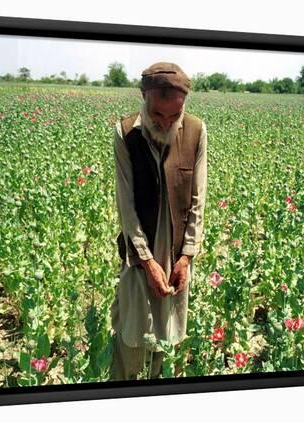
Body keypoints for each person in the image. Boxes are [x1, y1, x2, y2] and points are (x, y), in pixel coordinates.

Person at [109, 62, 208, 381]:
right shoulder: (125, 133)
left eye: (173, 116)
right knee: (132, 330)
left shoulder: (196, 130)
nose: (166, 123)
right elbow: (126, 204)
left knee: (169, 330)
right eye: (157, 115)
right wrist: (146, 260)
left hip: (178, 253)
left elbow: (198, 197)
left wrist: (187, 256)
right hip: (140, 253)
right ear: (143, 97)